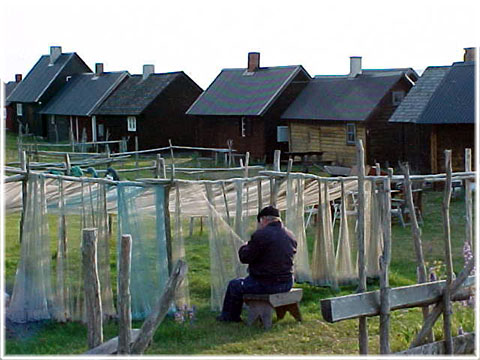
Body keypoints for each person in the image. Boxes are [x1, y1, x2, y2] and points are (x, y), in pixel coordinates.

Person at [217, 205, 297, 322]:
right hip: (287, 282)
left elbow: (245, 258)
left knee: (234, 285)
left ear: (263, 219)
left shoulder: (261, 235)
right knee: (241, 283)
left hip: (267, 284)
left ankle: (229, 317)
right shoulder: (290, 235)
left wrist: (244, 247)